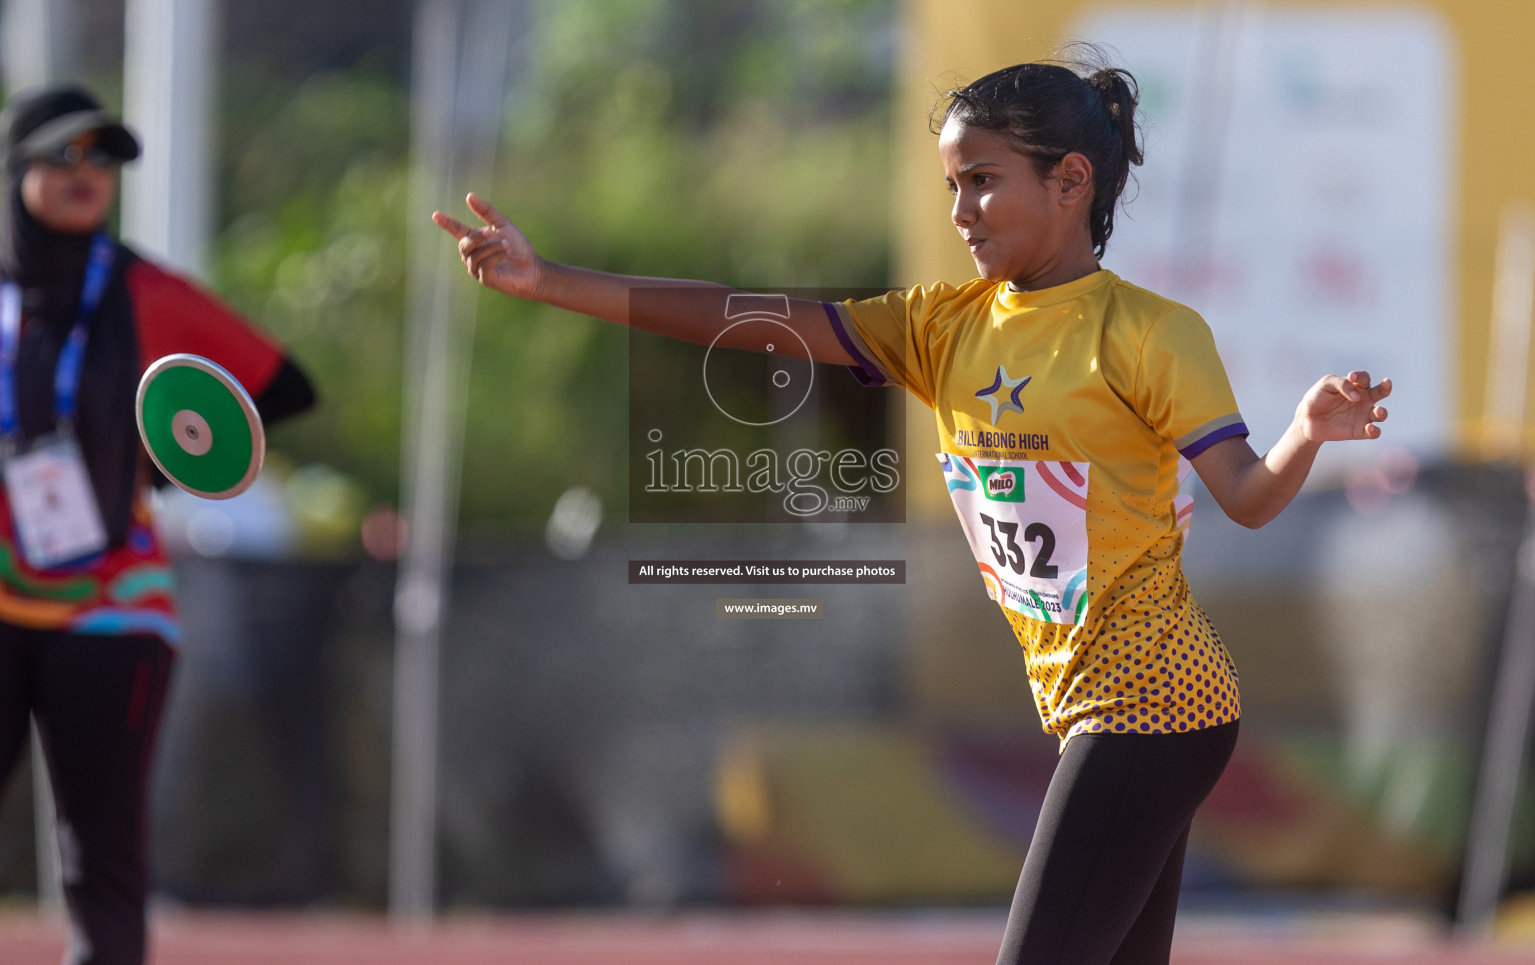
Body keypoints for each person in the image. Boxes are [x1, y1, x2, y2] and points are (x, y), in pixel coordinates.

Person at [434, 56, 1390, 965]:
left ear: (1069, 182)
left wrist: (1304, 431)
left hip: (1155, 705)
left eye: (982, 181)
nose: (961, 211)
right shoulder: (941, 327)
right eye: (950, 186)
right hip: (1087, 708)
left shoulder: (1148, 332)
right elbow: (741, 312)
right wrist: (548, 280)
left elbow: (1248, 498)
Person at [0, 85, 314, 965]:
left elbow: (283, 388)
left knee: (102, 857)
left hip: (112, 610)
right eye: (63, 154)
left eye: (101, 158)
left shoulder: (144, 290)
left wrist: (175, 459)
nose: (85, 173)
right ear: (16, 167)